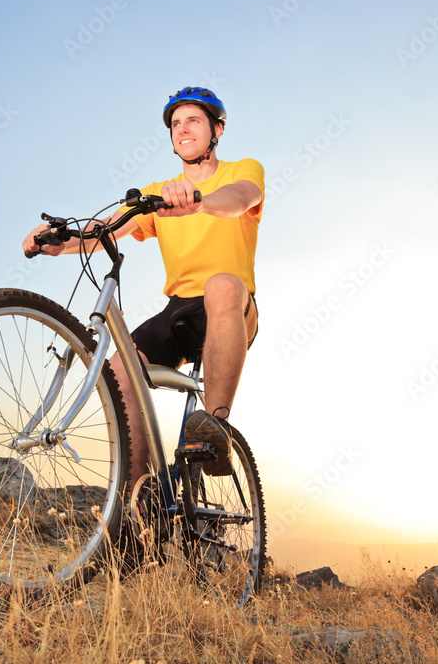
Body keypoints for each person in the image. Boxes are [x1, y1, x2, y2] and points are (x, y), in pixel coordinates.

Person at [22, 86, 264, 483]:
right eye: (175, 123)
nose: (182, 129)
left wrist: (198, 200)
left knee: (222, 284)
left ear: (216, 130)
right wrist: (58, 241)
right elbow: (107, 229)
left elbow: (239, 198)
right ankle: (143, 504)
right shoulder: (158, 194)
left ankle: (215, 430)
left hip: (234, 305)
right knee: (118, 374)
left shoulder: (242, 170)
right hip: (178, 311)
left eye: (193, 121)